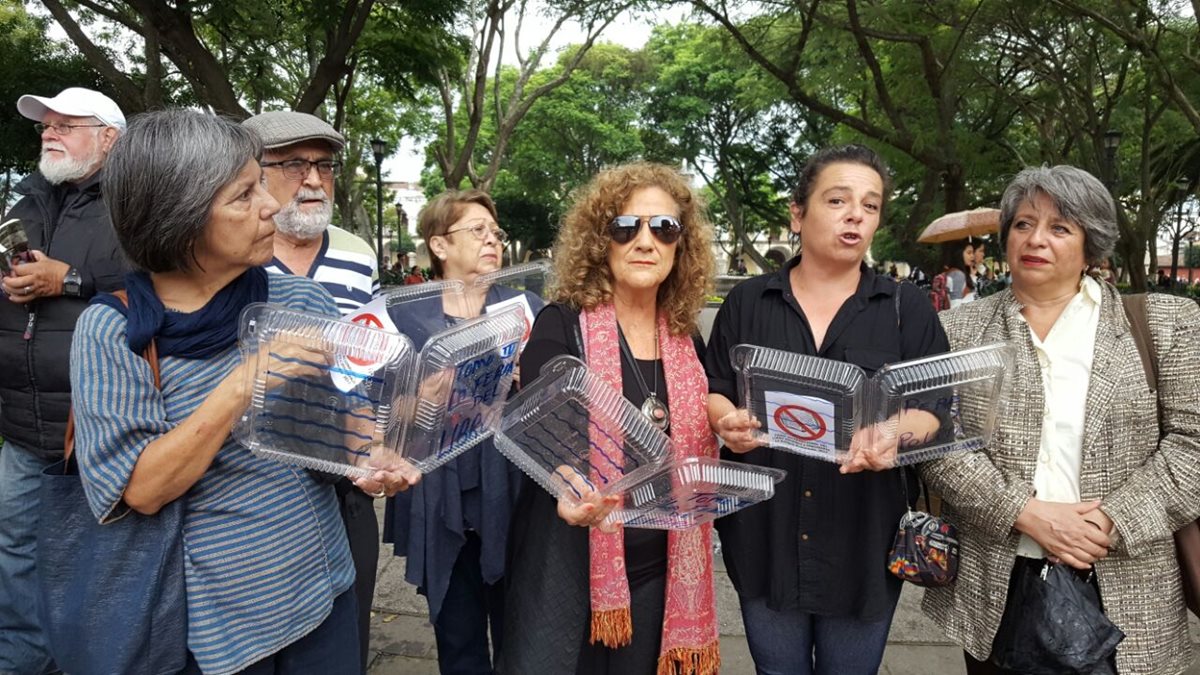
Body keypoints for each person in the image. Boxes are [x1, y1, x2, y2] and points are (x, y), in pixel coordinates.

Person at [70, 109, 417, 674]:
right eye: (243, 194)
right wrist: (243, 384)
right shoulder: (114, 331)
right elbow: (142, 489)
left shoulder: (302, 303)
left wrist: (372, 460)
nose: (271, 206)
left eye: (261, 183)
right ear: (177, 217)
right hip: (208, 628)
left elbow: (345, 432)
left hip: (322, 594)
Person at [920, 165, 1200, 674]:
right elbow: (938, 439)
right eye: (1023, 224)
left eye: (1060, 228)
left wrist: (1107, 521)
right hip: (998, 584)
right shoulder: (956, 329)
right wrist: (1025, 513)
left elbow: (1193, 445)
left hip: (1129, 582)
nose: (1036, 239)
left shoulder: (1163, 324)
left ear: (1092, 248)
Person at [704, 145, 949, 674]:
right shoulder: (747, 302)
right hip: (763, 535)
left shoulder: (907, 310)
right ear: (798, 213)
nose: (856, 215)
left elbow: (935, 407)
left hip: (863, 539)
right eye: (837, 200)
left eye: (871, 204)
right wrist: (726, 420)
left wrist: (892, 431)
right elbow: (716, 385)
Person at [501, 162, 719, 674]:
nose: (646, 241)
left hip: (660, 568)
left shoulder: (688, 337)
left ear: (679, 245)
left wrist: (728, 422)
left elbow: (701, 421)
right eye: (627, 227)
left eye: (663, 228)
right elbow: (539, 426)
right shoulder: (562, 324)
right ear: (603, 241)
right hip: (568, 560)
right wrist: (567, 484)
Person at [242, 110, 381, 670]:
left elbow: (367, 359)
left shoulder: (356, 254)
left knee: (349, 629)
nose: (314, 180)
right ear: (253, 174)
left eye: (323, 165)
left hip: (344, 478)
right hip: (258, 488)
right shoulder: (234, 256)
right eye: (294, 164)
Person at [384, 189, 544, 674]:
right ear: (439, 245)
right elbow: (378, 414)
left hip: (512, 489)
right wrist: (420, 399)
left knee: (522, 637)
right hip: (441, 492)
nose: (491, 240)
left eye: (495, 232)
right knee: (459, 643)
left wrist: (530, 377)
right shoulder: (403, 313)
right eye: (477, 231)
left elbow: (556, 395)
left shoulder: (526, 306)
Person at [0, 86, 127, 674]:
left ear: (109, 137)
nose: (49, 132)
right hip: (23, 424)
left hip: (102, 429)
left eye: (66, 124)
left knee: (103, 568)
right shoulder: (22, 200)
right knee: (16, 558)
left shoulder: (139, 200)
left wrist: (69, 280)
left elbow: (165, 291)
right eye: (46, 125)